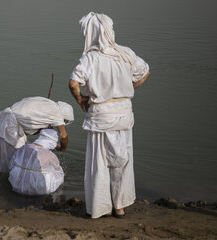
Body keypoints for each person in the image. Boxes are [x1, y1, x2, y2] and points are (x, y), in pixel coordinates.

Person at [69, 12, 150, 218]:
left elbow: (73, 83)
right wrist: (127, 89)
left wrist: (80, 100)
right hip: (123, 115)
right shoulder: (125, 53)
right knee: (122, 161)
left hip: (100, 117)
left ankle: (101, 207)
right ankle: (120, 207)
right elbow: (145, 71)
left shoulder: (90, 58)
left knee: (99, 163)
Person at [0, 96, 74, 172]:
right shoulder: (57, 113)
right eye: (64, 120)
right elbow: (63, 136)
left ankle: (5, 179)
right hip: (11, 127)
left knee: (16, 157)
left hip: (6, 120)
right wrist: (63, 148)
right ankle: (9, 182)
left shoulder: (47, 103)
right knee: (19, 160)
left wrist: (55, 144)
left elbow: (36, 125)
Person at [8, 129, 64, 195]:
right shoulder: (51, 155)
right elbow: (58, 170)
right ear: (52, 141)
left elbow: (11, 164)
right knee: (59, 174)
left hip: (16, 183)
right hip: (38, 188)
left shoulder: (24, 147)